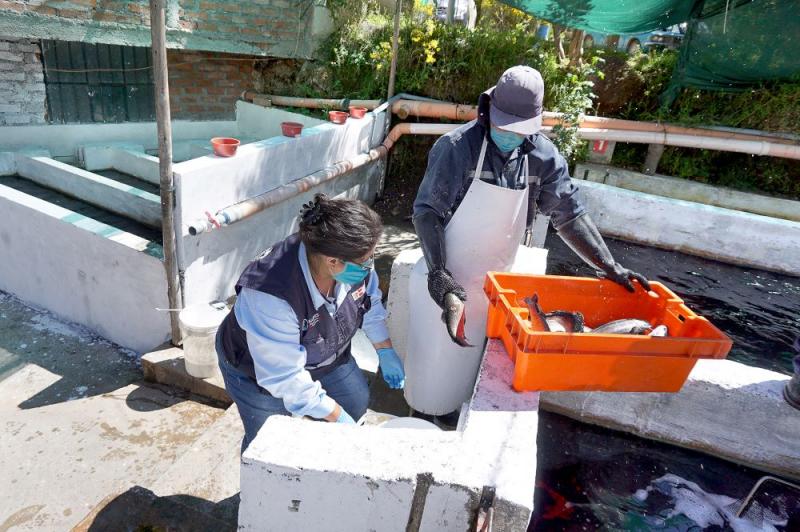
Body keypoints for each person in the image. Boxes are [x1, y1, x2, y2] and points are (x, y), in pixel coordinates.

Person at [404, 65, 649, 417]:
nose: (508, 133)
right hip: (442, 285)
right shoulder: (456, 148)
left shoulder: (543, 157)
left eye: (517, 129)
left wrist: (608, 265)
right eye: (502, 124)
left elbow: (570, 214)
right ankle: (422, 421)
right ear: (488, 110)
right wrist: (439, 274)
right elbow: (427, 212)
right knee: (431, 384)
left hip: (494, 291)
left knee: (471, 376)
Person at [215, 194, 405, 451]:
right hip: (257, 373)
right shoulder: (271, 294)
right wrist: (337, 416)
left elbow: (369, 305)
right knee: (269, 445)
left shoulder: (350, 259)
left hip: (327, 355)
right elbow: (285, 377)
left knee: (356, 401)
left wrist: (385, 350)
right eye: (366, 260)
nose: (370, 265)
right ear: (332, 262)